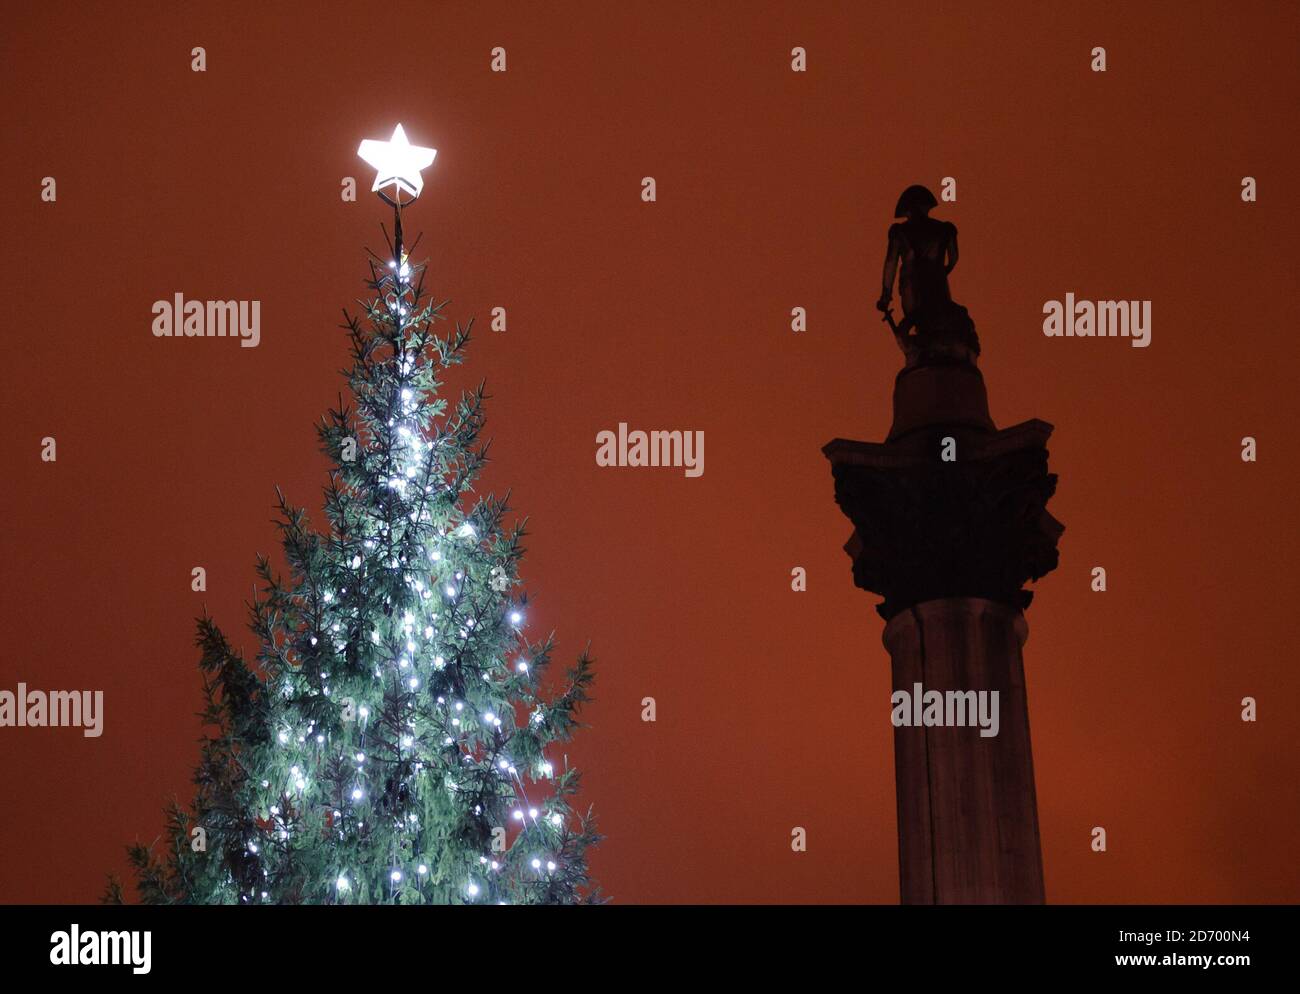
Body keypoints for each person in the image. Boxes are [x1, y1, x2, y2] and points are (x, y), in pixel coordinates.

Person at [876, 184, 958, 332]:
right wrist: (944, 271)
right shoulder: (944, 229)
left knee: (916, 326)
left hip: (912, 287)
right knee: (940, 326)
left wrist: (886, 296)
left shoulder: (899, 232)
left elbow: (891, 264)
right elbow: (953, 259)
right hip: (938, 285)